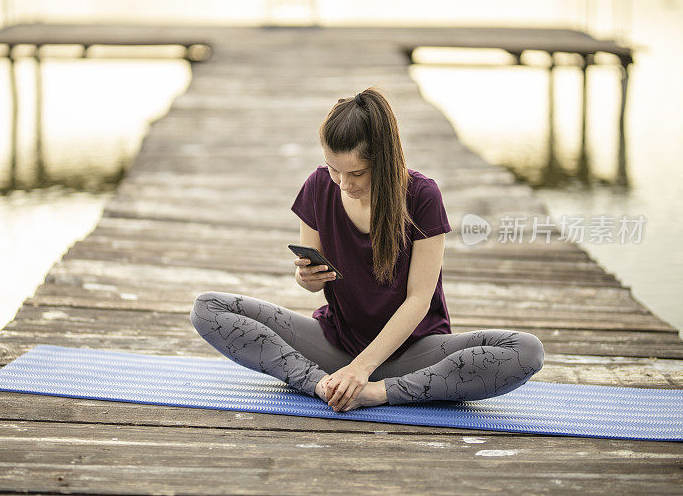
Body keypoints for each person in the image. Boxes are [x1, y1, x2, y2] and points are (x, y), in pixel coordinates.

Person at [190, 87, 545, 413]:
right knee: (208, 307)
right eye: (334, 170)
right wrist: (306, 278)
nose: (344, 184)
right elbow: (312, 282)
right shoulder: (317, 186)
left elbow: (418, 300)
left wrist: (364, 370)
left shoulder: (422, 196)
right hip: (336, 344)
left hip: (412, 352)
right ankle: (321, 385)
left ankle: (379, 392)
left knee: (526, 351)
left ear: (383, 159)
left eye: (357, 172)